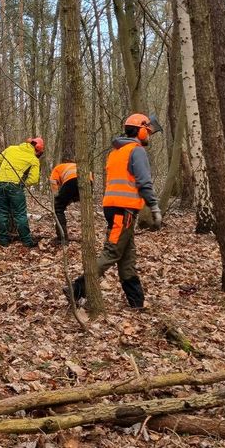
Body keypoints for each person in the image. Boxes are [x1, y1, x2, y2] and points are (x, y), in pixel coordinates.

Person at [71, 114, 161, 309]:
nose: (149, 136)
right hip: (124, 209)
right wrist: (154, 206)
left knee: (127, 255)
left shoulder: (116, 152)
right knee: (112, 252)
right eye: (149, 132)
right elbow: (144, 182)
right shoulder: (136, 151)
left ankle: (136, 302)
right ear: (141, 130)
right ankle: (76, 288)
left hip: (114, 207)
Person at [0, 137, 43, 247]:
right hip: (15, 186)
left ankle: (3, 241)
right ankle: (27, 242)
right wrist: (22, 184)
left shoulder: (11, 149)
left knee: (1, 212)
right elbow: (34, 179)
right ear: (37, 149)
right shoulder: (33, 159)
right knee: (20, 215)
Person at [50, 161, 79, 244]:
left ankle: (62, 238)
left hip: (71, 180)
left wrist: (56, 198)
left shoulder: (56, 169)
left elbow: (53, 183)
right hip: (89, 181)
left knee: (58, 208)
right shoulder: (69, 166)